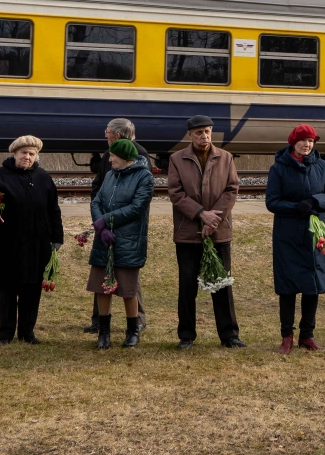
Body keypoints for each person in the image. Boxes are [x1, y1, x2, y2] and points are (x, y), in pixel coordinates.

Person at [165, 115, 244, 349]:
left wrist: (213, 219)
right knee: (187, 286)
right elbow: (175, 193)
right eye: (199, 132)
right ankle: (186, 336)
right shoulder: (177, 159)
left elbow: (231, 189)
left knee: (221, 284)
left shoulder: (225, 157)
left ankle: (229, 335)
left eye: (208, 131)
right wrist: (201, 214)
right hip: (188, 234)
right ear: (190, 135)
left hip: (218, 232)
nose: (204, 136)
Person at [265, 124, 325, 354]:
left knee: (312, 285)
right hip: (288, 234)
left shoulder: (322, 165)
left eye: (311, 141)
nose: (307, 145)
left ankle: (307, 334)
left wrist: (315, 202)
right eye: (303, 141)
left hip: (315, 235)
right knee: (288, 287)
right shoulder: (279, 168)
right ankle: (286, 336)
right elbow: (272, 202)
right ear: (293, 142)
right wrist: (296, 207)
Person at [0, 136, 63, 345]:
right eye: (23, 153)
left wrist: (57, 237)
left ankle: (27, 332)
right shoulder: (0, 177)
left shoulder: (43, 177)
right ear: (14, 154)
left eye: (31, 154)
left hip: (38, 244)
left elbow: (53, 210)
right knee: (8, 291)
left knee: (32, 290)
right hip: (8, 244)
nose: (27, 157)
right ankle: (6, 333)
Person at [86, 117, 150, 335]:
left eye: (108, 131)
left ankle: (136, 323)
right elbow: (99, 189)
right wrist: (100, 220)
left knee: (128, 282)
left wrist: (108, 219)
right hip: (104, 226)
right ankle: (100, 323)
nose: (105, 134)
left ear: (119, 136)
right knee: (102, 278)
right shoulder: (110, 160)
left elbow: (138, 204)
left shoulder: (139, 156)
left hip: (128, 230)